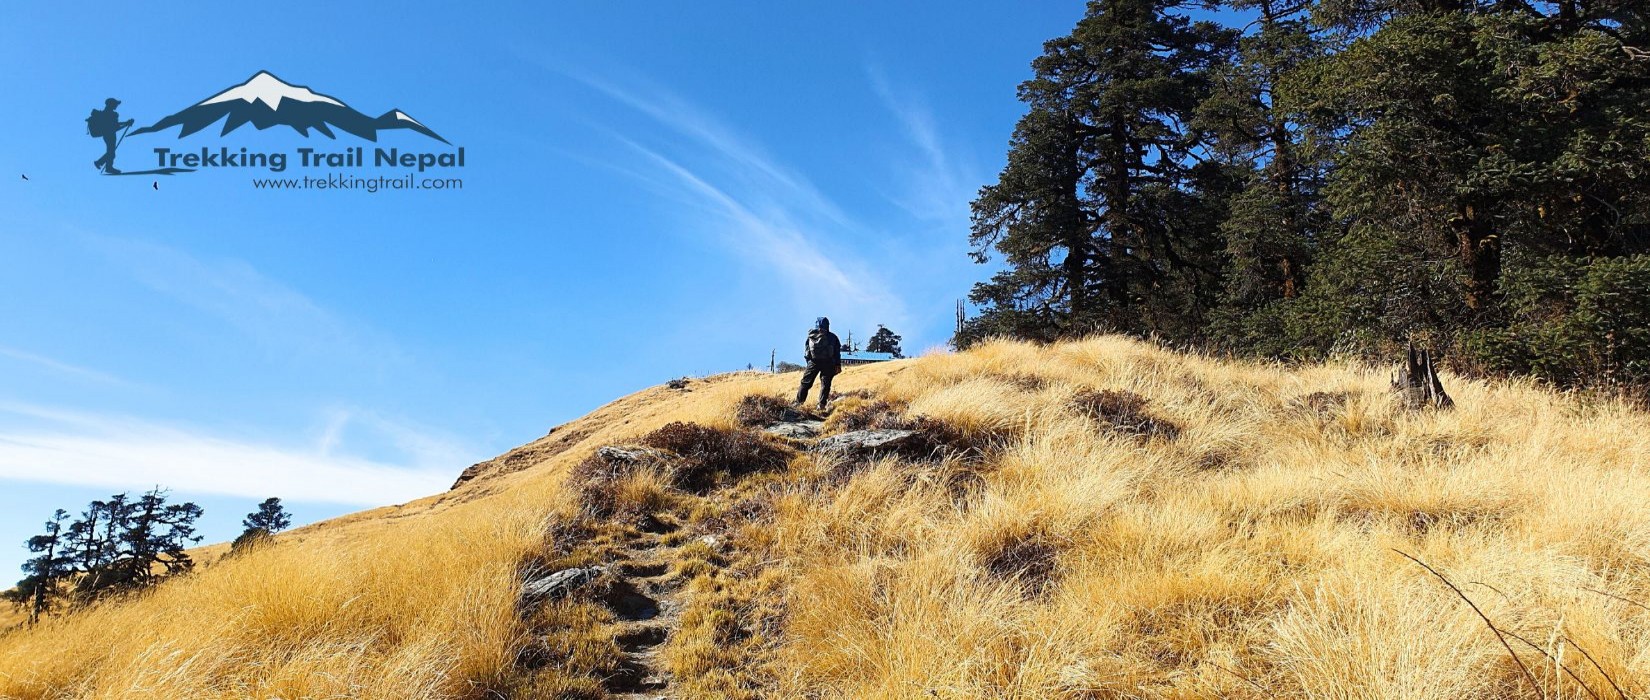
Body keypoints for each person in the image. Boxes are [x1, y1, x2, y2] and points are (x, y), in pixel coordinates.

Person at [796, 317, 842, 409]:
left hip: (813, 362)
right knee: (825, 384)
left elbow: (807, 352)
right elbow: (837, 352)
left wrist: (809, 362)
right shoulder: (833, 337)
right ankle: (821, 405)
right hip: (828, 363)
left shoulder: (811, 336)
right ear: (828, 325)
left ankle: (798, 403)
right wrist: (837, 364)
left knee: (805, 383)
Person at [88, 98, 134, 174]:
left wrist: (126, 123)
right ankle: (104, 165)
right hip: (110, 135)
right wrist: (126, 124)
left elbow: (114, 126)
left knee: (111, 152)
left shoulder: (105, 113)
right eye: (115, 104)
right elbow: (115, 127)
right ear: (111, 105)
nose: (116, 106)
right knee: (111, 152)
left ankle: (105, 165)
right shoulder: (112, 114)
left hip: (107, 135)